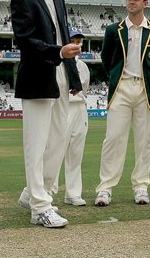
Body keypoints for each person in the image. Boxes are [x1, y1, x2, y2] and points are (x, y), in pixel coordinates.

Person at [10, 0, 82, 228]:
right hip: (37, 76)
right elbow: (25, 41)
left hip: (61, 74)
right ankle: (40, 206)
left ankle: (34, 193)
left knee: (59, 140)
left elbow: (64, 34)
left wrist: (73, 76)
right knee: (36, 143)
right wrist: (58, 53)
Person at [95, 0, 150, 206]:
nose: (132, 2)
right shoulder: (113, 30)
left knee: (144, 140)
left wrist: (148, 77)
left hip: (145, 89)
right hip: (121, 88)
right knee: (113, 138)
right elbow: (107, 60)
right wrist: (120, 76)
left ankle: (141, 186)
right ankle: (105, 188)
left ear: (145, 3)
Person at [52, 27, 90, 206]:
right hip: (62, 107)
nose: (76, 44)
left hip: (79, 109)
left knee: (76, 153)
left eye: (78, 41)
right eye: (73, 40)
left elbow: (85, 90)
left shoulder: (83, 66)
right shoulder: (57, 64)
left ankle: (73, 193)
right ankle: (48, 192)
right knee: (55, 151)